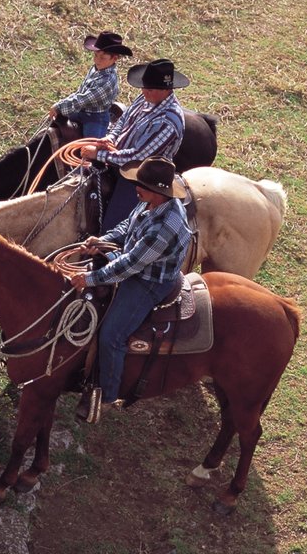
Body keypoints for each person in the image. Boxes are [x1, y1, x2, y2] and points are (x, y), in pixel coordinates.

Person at [68, 157, 192, 420]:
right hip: (134, 265)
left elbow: (130, 266)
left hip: (148, 282)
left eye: (142, 185)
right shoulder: (149, 203)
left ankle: (109, 395)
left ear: (158, 192)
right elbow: (128, 227)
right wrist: (102, 240)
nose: (136, 188)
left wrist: (91, 279)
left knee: (112, 334)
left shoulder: (167, 226)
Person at [80, 58, 189, 231]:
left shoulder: (169, 121)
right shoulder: (145, 97)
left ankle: (108, 247)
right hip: (118, 158)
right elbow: (123, 120)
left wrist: (98, 154)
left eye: (150, 89)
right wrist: (111, 138)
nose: (144, 92)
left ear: (167, 90)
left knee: (113, 224)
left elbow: (137, 157)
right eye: (143, 87)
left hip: (142, 176)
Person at [49, 31, 132, 138]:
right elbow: (80, 92)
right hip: (81, 111)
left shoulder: (107, 80)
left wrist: (60, 106)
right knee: (54, 121)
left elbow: (83, 99)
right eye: (96, 55)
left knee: (90, 147)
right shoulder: (95, 68)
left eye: (102, 57)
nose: (97, 60)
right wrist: (61, 105)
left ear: (114, 58)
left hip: (96, 117)